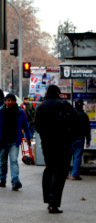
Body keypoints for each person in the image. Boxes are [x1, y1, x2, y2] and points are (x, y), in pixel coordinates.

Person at [35, 85, 79, 214]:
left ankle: (48, 199)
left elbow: (38, 127)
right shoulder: (64, 104)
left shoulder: (41, 107)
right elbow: (75, 122)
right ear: (58, 92)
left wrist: (45, 136)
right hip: (62, 143)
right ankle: (53, 203)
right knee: (59, 172)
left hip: (47, 144)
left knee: (49, 168)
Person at [0, 94, 32, 190]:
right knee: (3, 161)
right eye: (8, 100)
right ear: (5, 101)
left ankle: (15, 181)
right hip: (2, 141)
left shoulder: (20, 112)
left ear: (15, 101)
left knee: (14, 161)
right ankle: (2, 179)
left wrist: (28, 137)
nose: (10, 102)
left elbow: (25, 125)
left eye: (12, 100)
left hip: (14, 140)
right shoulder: (0, 111)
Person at [69, 100, 92, 180]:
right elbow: (87, 129)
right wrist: (88, 140)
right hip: (80, 139)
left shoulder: (70, 114)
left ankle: (64, 174)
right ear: (82, 106)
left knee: (67, 156)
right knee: (77, 157)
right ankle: (74, 174)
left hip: (70, 138)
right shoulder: (84, 115)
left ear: (75, 105)